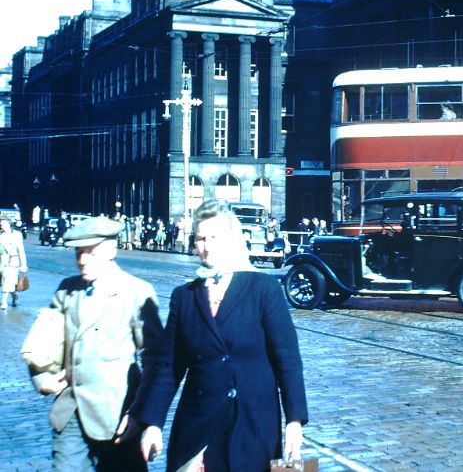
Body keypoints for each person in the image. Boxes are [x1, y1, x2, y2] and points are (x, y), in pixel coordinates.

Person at [121, 200, 308, 471]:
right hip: (199, 429)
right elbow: (168, 368)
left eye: (214, 238)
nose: (207, 246)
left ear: (231, 239)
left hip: (253, 426)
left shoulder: (263, 289)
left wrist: (294, 421)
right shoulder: (184, 297)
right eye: (200, 238)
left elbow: (288, 361)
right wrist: (153, 423)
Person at [26, 216, 162, 471]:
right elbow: (41, 342)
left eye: (90, 252)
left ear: (111, 250)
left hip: (117, 415)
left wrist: (141, 414)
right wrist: (42, 377)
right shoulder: (67, 291)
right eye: (79, 252)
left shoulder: (135, 292)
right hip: (70, 412)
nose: (82, 260)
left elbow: (156, 361)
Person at [0, 216, 28, 309]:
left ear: (8, 224)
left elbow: (21, 250)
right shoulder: (1, 235)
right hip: (3, 262)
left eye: (3, 223)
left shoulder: (17, 235)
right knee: (6, 281)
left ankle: (3, 301)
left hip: (13, 261)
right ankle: (14, 296)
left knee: (8, 281)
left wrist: (23, 265)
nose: (1, 225)